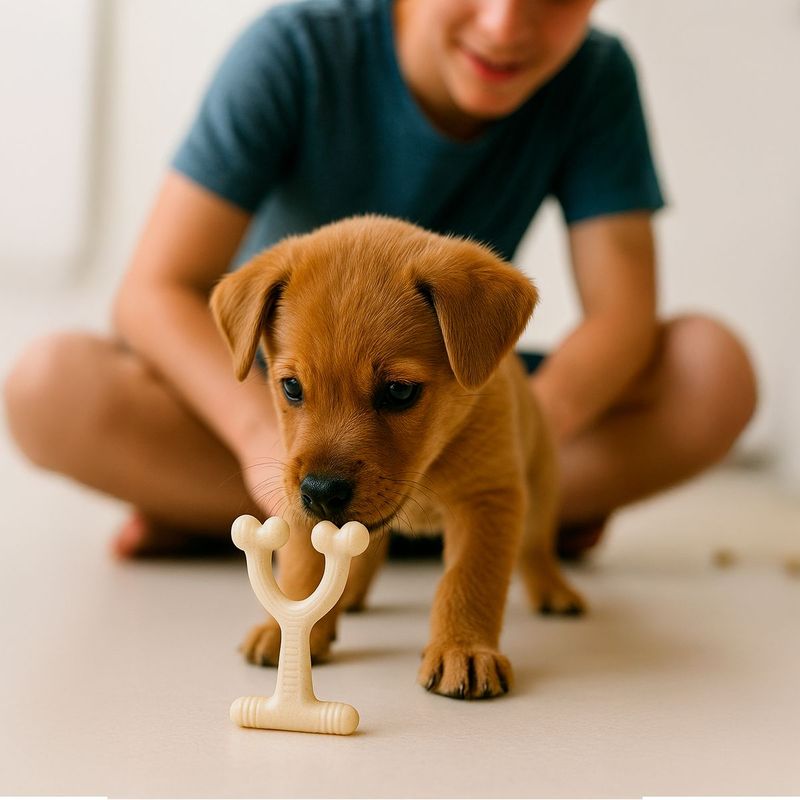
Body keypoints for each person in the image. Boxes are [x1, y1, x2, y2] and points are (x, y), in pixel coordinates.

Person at [3, 0, 757, 559]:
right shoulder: (296, 48)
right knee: (48, 385)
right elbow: (153, 291)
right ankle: (431, 522)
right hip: (275, 419)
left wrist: (529, 440)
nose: (504, 24)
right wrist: (259, 439)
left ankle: (251, 523)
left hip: (452, 403)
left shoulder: (594, 78)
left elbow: (622, 318)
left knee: (711, 371)